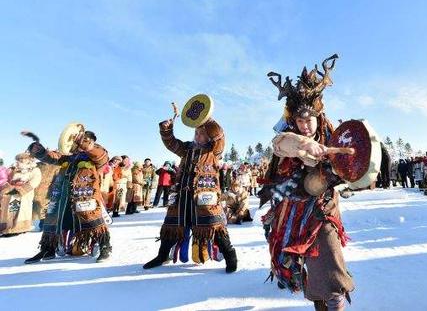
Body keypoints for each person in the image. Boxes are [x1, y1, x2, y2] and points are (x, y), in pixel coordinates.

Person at [260, 55, 354, 310]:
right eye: (300, 121)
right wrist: (305, 146)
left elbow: (351, 164)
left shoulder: (333, 132)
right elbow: (279, 144)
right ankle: (318, 297)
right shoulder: (287, 135)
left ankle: (334, 298)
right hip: (291, 206)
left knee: (327, 247)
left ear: (318, 114)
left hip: (322, 206)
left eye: (308, 120)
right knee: (299, 258)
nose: (304, 125)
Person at [143, 109, 237, 273]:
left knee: (214, 226)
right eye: (196, 132)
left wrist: (205, 118)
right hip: (182, 196)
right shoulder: (186, 148)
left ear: (209, 137)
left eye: (201, 133)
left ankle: (230, 256)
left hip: (204, 198)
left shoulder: (214, 151)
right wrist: (167, 129)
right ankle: (162, 255)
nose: (197, 136)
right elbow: (171, 143)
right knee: (171, 226)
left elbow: (219, 135)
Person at [24, 130, 112, 263]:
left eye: (84, 139)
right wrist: (40, 151)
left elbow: (102, 157)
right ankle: (48, 248)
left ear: (92, 141)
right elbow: (52, 157)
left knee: (92, 219)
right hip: (63, 196)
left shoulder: (95, 155)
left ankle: (104, 246)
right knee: (54, 219)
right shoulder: (69, 157)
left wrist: (87, 145)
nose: (78, 141)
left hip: (85, 197)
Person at [0, 153, 42, 236]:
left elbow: (35, 181)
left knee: (22, 211)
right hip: (12, 193)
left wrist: (22, 189)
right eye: (19, 159)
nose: (21, 161)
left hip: (24, 195)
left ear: (29, 160)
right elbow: (7, 179)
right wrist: (7, 187)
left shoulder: (34, 169)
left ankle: (20, 228)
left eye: (23, 159)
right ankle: (9, 228)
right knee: (11, 211)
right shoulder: (14, 169)